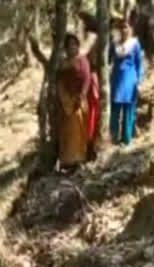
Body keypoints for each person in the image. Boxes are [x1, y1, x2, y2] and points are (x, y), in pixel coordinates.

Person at [57, 33, 93, 171]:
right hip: (65, 101)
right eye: (69, 45)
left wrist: (82, 95)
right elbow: (60, 80)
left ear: (78, 45)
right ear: (65, 48)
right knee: (67, 132)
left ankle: (78, 160)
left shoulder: (82, 60)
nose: (72, 47)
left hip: (78, 101)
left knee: (78, 130)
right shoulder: (63, 62)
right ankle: (67, 161)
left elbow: (87, 78)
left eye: (74, 44)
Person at [110, 20, 143, 145]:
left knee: (128, 111)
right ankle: (113, 138)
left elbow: (139, 65)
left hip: (130, 81)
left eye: (126, 27)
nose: (124, 30)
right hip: (116, 80)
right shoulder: (114, 44)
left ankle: (126, 140)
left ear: (131, 29)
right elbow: (107, 59)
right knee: (114, 111)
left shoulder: (135, 44)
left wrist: (139, 82)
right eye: (121, 27)